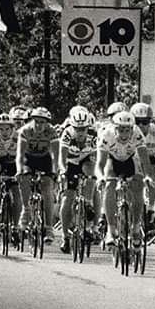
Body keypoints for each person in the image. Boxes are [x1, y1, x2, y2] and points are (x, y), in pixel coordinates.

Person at [96, 110, 152, 254]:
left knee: (138, 185)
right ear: (115, 128)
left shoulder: (137, 133)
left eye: (127, 130)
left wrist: (147, 176)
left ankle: (135, 226)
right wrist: (101, 177)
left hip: (130, 160)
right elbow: (100, 163)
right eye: (121, 130)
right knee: (109, 185)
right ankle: (111, 229)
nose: (124, 133)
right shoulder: (106, 135)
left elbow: (145, 160)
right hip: (112, 160)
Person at [58, 105, 97, 254]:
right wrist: (62, 171)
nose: (81, 132)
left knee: (91, 170)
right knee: (67, 198)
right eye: (77, 129)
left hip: (86, 160)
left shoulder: (93, 134)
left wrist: (97, 175)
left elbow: (96, 157)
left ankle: (87, 203)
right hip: (70, 163)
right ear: (72, 126)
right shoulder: (67, 134)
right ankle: (65, 237)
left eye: (84, 129)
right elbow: (61, 158)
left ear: (88, 127)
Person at [16, 106, 58, 243]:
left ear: (47, 123)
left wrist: (56, 171)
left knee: (47, 190)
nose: (39, 125)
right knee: (24, 177)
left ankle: (49, 227)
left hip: (45, 159)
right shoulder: (25, 130)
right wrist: (19, 170)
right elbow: (20, 155)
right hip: (29, 159)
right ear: (32, 120)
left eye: (43, 122)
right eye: (36, 121)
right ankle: (26, 209)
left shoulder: (52, 132)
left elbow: (55, 155)